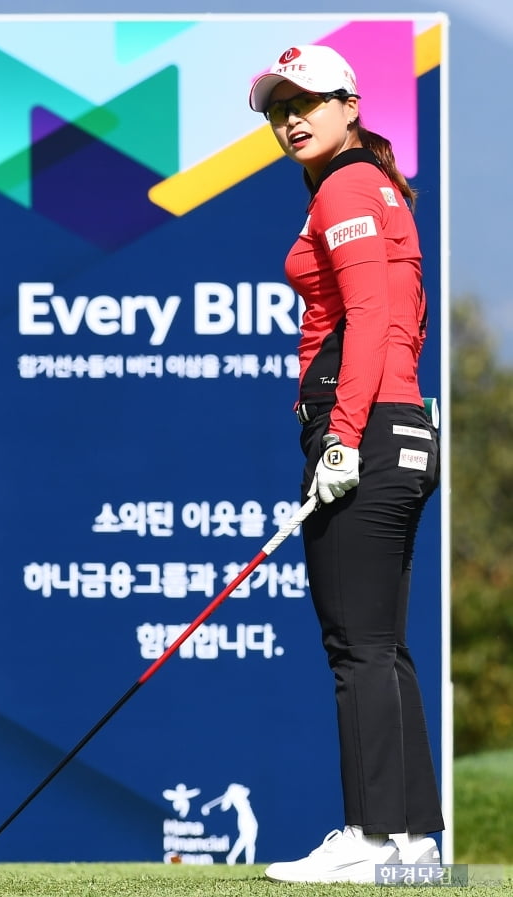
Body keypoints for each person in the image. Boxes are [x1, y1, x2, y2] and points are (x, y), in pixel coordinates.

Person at [247, 44, 445, 884]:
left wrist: (340, 436)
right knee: (383, 646)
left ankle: (369, 835)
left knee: (356, 646)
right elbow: (401, 317)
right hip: (395, 426)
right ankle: (413, 844)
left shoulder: (347, 187)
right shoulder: (367, 184)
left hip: (363, 428)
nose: (292, 116)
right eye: (278, 105)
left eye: (309, 100)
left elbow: (368, 319)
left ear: (351, 104)